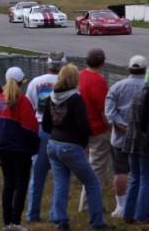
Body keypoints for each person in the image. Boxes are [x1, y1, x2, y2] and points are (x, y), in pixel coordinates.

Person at [45, 63, 108, 230]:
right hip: (71, 145)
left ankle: (60, 219)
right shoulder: (75, 98)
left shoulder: (51, 96)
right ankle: (97, 221)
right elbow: (83, 125)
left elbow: (45, 123)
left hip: (53, 143)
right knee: (91, 181)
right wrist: (84, 141)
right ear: (74, 79)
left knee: (60, 182)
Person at [0, 66, 40, 231]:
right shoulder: (22, 100)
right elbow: (31, 127)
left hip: (2, 147)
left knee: (8, 183)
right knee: (21, 184)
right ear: (20, 82)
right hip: (19, 149)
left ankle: (6, 223)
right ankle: (15, 222)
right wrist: (35, 146)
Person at [104, 55, 148, 219]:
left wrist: (122, 126)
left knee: (121, 171)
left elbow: (109, 112)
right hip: (143, 139)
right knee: (142, 174)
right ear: (145, 69)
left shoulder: (117, 87)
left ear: (129, 68)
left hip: (120, 137)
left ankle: (121, 206)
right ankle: (139, 206)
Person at [25, 51, 64, 223]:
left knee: (37, 175)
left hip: (40, 129)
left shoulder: (36, 82)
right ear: (63, 65)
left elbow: (29, 106)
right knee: (60, 176)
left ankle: (33, 214)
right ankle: (55, 214)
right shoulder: (66, 84)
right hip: (60, 132)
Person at [122, 66, 149, 225]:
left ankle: (128, 212)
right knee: (145, 177)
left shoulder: (138, 94)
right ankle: (142, 214)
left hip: (130, 140)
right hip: (142, 142)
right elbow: (148, 123)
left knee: (135, 178)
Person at [78, 48, 112, 213]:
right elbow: (103, 109)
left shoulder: (79, 76)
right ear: (103, 63)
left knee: (88, 167)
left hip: (80, 128)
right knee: (97, 169)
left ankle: (89, 202)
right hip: (96, 129)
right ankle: (88, 204)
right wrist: (110, 127)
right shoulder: (98, 81)